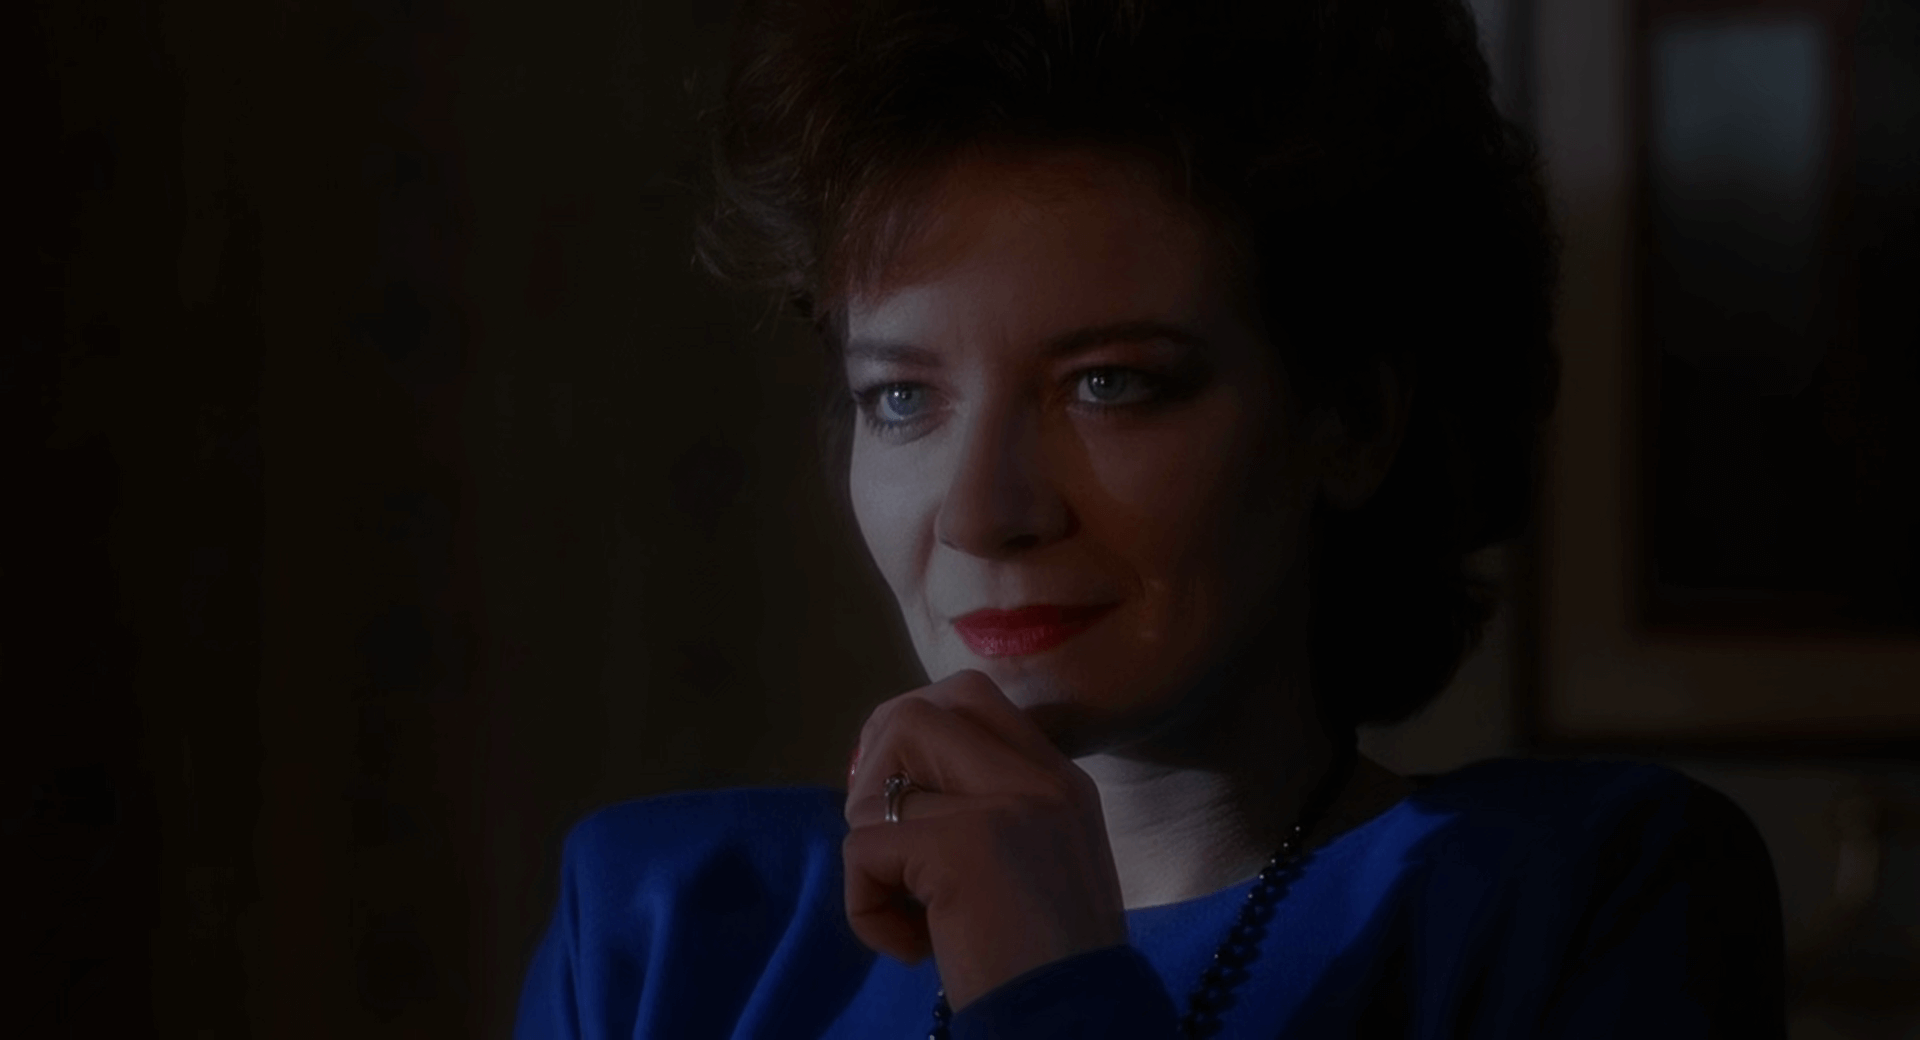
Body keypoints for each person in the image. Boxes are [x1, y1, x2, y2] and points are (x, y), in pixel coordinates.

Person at [515, 0, 1788, 1036]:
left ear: (1350, 419)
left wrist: (1046, 987)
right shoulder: (665, 924)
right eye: (903, 396)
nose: (983, 510)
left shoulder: (1584, 894)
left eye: (1108, 384)